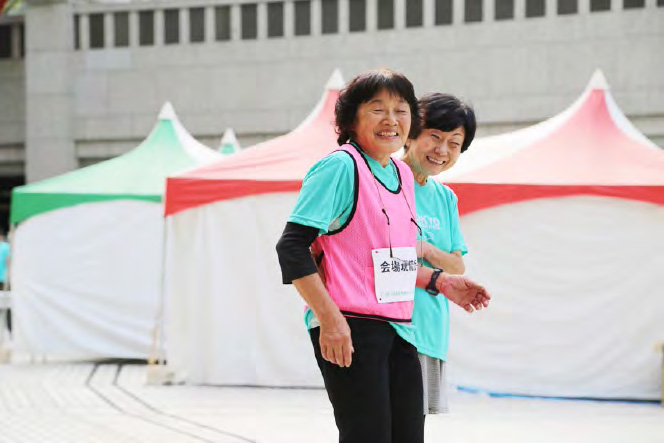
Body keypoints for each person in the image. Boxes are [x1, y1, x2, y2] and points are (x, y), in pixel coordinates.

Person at [276, 69, 490, 443]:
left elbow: (386, 259)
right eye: (377, 109)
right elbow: (292, 247)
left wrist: (440, 281)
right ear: (351, 118)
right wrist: (330, 319)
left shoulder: (402, 176)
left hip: (402, 327)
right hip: (352, 324)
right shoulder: (341, 166)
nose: (391, 119)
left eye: (400, 110)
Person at [392, 93, 477, 416]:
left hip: (430, 330)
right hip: (388, 328)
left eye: (454, 143)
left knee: (411, 427)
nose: (442, 150)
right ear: (410, 133)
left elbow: (457, 264)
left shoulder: (445, 197)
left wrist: (424, 248)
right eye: (435, 137)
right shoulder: (382, 180)